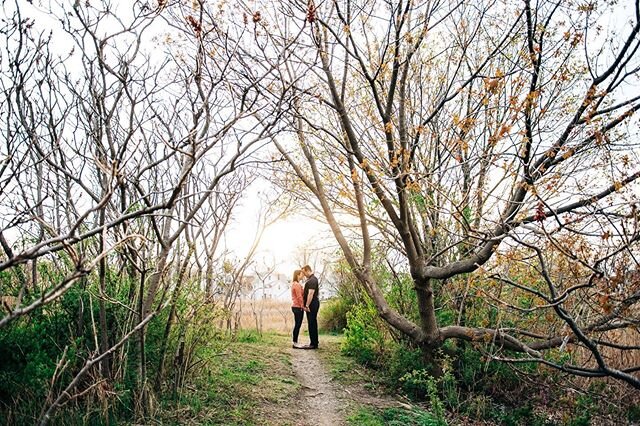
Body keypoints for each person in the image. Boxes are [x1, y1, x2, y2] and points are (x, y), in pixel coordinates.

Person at [301, 265, 319, 349]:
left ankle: (313, 344)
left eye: (304, 273)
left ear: (308, 270)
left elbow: (310, 293)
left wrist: (307, 305)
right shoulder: (310, 279)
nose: (304, 275)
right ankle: (314, 341)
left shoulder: (313, 280)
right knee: (312, 323)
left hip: (312, 304)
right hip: (311, 304)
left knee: (312, 323)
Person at [290, 269, 305, 348]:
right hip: (297, 307)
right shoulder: (296, 285)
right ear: (298, 275)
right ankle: (295, 342)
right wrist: (303, 307)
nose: (303, 276)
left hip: (296, 306)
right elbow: (299, 297)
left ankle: (295, 341)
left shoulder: (296, 284)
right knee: (297, 325)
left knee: (297, 324)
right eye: (302, 274)